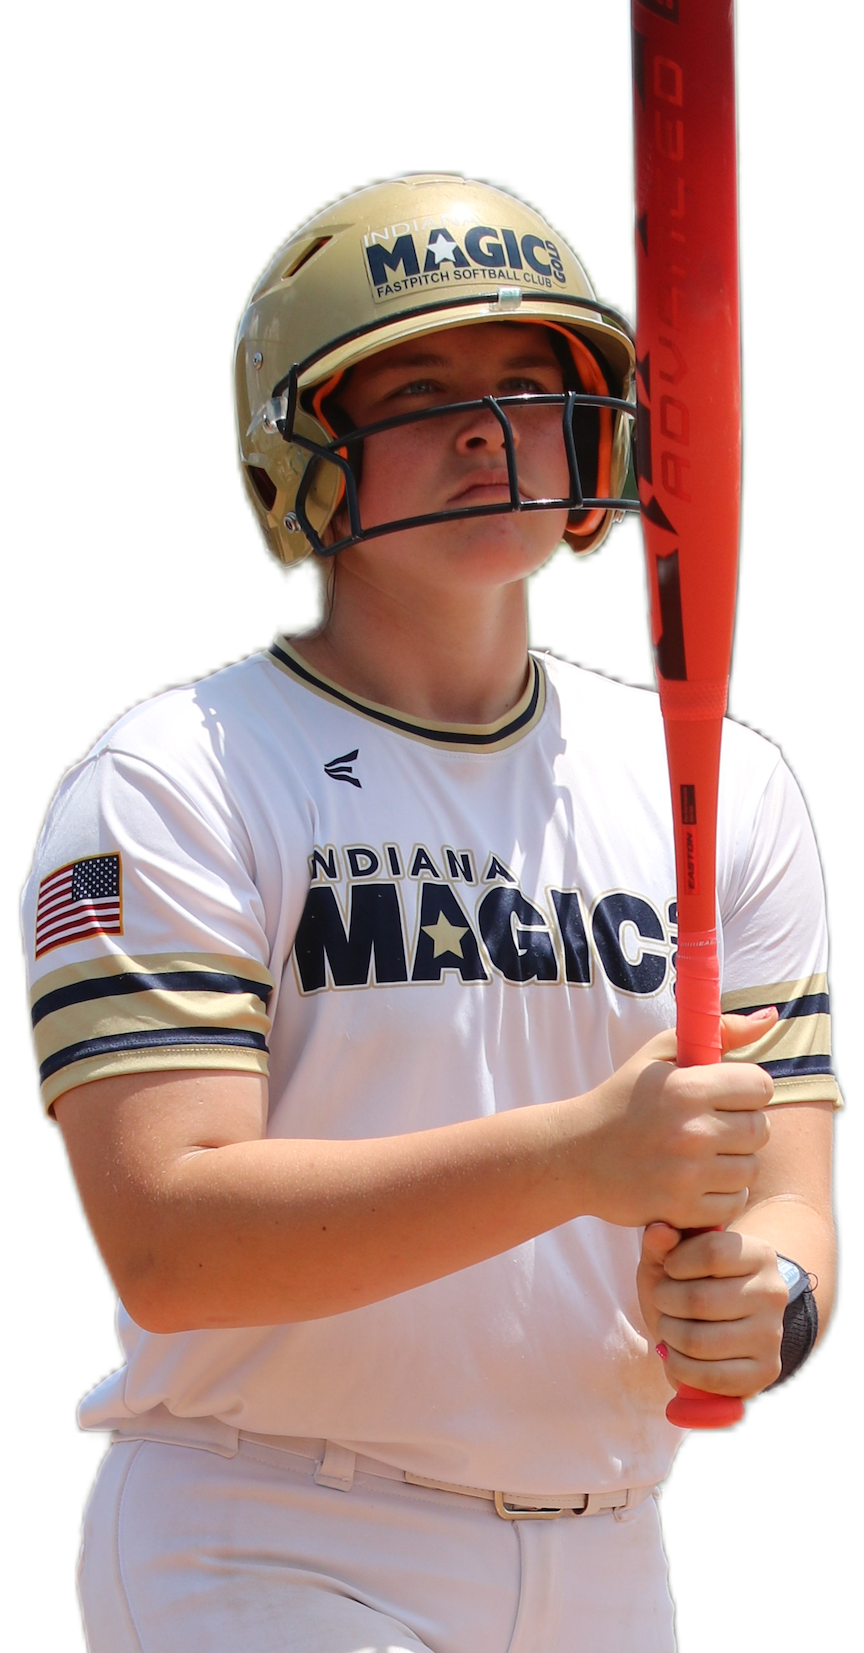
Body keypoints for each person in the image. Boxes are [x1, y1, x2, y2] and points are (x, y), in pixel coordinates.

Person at [21, 173, 841, 1653]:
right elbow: (172, 1243)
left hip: (607, 1546)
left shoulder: (726, 779)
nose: (489, 427)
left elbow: (790, 1186)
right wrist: (580, 1156)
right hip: (273, 1531)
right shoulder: (177, 774)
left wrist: (770, 1300)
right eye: (421, 392)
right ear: (301, 456)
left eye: (530, 382)